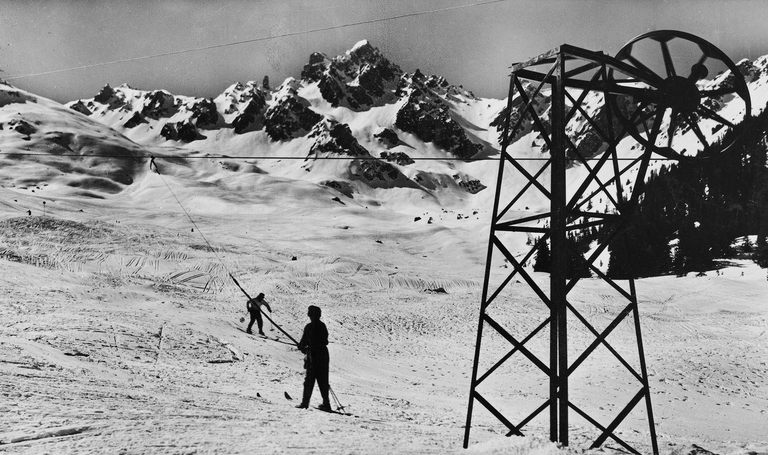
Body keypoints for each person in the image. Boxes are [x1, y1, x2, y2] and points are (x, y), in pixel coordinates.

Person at [296, 305, 331, 411]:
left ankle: (305, 403)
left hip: (314, 356)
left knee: (310, 380)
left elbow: (304, 343)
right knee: (323, 380)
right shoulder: (322, 326)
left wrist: (303, 347)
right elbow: (324, 341)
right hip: (322, 355)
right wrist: (305, 347)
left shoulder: (309, 327)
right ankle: (326, 403)